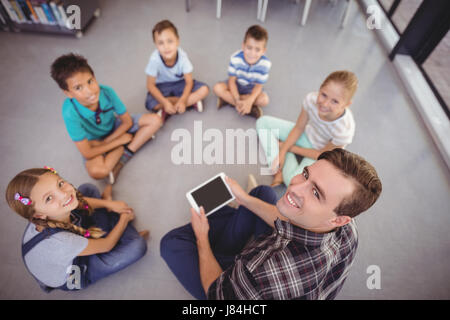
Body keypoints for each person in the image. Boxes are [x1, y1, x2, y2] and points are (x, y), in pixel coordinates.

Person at [161, 148, 382, 300]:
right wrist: (245, 199)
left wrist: (202, 238)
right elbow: (288, 218)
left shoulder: (260, 272)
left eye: (316, 193)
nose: (295, 187)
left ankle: (217, 251)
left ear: (339, 218)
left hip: (246, 285)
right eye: (305, 174)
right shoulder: (348, 229)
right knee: (262, 193)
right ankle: (228, 239)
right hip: (277, 273)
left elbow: (216, 294)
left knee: (172, 242)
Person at [5, 167, 148, 292]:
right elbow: (106, 246)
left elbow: (78, 201)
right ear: (38, 215)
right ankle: (120, 230)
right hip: (76, 271)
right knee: (137, 247)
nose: (64, 194)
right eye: (49, 198)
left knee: (87, 189)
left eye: (60, 184)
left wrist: (108, 203)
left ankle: (112, 224)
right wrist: (124, 219)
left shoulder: (44, 215)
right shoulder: (61, 243)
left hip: (70, 243)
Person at [51, 53, 162, 184]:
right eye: (78, 88)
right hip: (94, 141)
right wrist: (118, 141)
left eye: (90, 81)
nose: (89, 91)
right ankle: (127, 144)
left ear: (95, 77)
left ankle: (125, 155)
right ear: (68, 93)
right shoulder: (69, 113)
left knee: (155, 120)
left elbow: (127, 122)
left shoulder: (107, 92)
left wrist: (108, 141)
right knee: (98, 172)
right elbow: (87, 152)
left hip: (115, 127)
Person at [256, 70, 357, 186]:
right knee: (262, 123)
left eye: (335, 101)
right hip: (306, 135)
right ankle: (279, 166)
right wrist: (282, 152)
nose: (325, 104)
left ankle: (280, 162)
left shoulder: (344, 130)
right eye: (323, 95)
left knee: (292, 181)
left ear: (346, 105)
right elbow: (299, 127)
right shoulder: (311, 100)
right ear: (320, 89)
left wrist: (288, 148)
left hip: (321, 154)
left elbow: (321, 154)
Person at [145, 19, 209, 122]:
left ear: (177, 41)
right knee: (150, 103)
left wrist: (183, 100)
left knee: (204, 89)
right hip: (162, 87)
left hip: (180, 84)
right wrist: (165, 102)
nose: (166, 47)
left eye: (170, 41)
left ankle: (172, 106)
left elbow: (189, 82)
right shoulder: (154, 59)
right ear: (156, 45)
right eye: (161, 43)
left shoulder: (183, 57)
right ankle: (189, 103)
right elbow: (150, 85)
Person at [213, 25, 271, 119]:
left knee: (264, 100)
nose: (252, 53)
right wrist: (236, 99)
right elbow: (231, 81)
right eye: (249, 48)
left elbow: (259, 86)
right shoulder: (235, 58)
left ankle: (228, 100)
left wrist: (250, 100)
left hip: (251, 88)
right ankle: (249, 108)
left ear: (263, 51)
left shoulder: (265, 64)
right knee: (217, 88)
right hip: (236, 84)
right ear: (243, 46)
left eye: (257, 50)